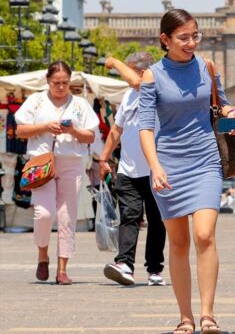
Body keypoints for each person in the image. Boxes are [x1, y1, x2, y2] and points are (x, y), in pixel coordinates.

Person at [139, 8, 235, 334]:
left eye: (195, 35)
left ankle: (208, 314)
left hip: (205, 161)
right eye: (183, 37)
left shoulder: (207, 66)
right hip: (168, 165)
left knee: (204, 235)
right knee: (179, 242)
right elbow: (145, 127)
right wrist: (155, 167)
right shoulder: (152, 76)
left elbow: (221, 103)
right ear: (165, 39)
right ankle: (185, 317)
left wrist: (232, 112)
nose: (190, 42)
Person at [15, 61, 99, 285]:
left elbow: (90, 136)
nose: (61, 87)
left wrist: (72, 130)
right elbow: (21, 130)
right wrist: (45, 126)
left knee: (66, 216)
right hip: (41, 162)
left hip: (71, 162)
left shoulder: (80, 104)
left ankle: (62, 268)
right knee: (43, 213)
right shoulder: (36, 100)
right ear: (48, 81)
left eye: (65, 83)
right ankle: (43, 255)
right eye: (56, 83)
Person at [100, 53, 167, 287]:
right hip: (128, 169)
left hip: (154, 169)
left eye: (128, 71)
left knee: (157, 221)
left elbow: (138, 83)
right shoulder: (128, 96)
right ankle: (125, 263)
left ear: (143, 71)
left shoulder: (155, 88)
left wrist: (115, 62)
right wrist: (104, 158)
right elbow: (116, 130)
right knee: (129, 216)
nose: (125, 76)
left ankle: (155, 268)